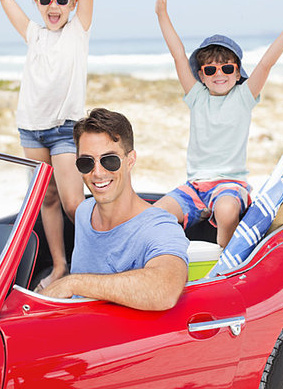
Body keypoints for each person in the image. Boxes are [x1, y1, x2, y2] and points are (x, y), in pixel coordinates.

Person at [154, 0, 283, 248]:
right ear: (201, 75)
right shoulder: (197, 97)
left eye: (226, 68)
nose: (219, 75)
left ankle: (226, 261)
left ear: (237, 73)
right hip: (195, 187)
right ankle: (174, 258)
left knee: (225, 211)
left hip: (229, 186)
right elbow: (178, 55)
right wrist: (162, 14)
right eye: (210, 70)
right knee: (156, 215)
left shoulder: (243, 97)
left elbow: (267, 63)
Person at [0, 0, 100, 290]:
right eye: (45, 0)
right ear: (38, 3)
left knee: (75, 203)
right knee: (48, 200)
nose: (53, 6)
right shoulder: (34, 33)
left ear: (72, 3)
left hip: (63, 129)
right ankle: (60, 267)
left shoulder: (79, 30)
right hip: (31, 129)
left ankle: (90, 265)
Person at [39, 108, 189, 310]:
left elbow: (165, 290)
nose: (98, 173)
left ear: (130, 160)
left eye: (110, 160)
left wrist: (73, 283)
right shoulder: (84, 212)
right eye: (86, 163)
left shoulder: (159, 227)